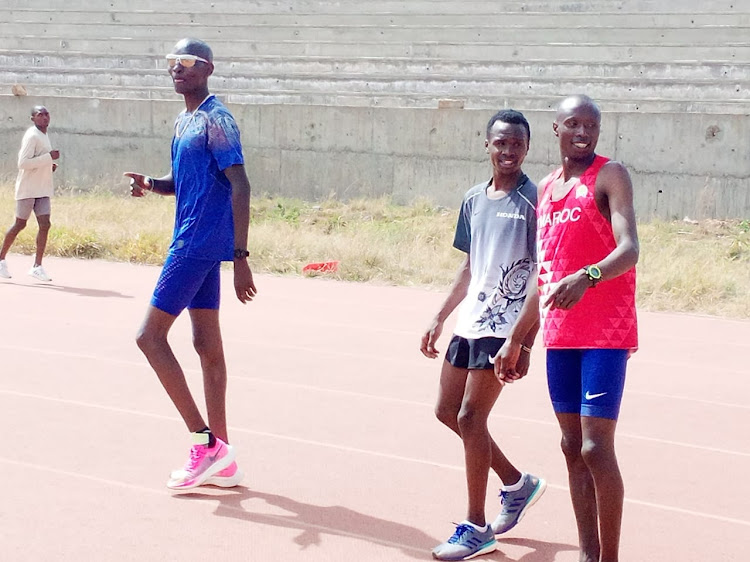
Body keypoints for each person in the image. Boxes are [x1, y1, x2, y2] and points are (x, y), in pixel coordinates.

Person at [496, 95, 639, 562]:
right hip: (561, 335)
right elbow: (546, 275)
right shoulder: (546, 188)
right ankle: (587, 553)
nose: (583, 132)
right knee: (571, 445)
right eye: (573, 123)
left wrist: (589, 275)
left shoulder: (610, 174)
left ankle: (610, 557)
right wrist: (520, 339)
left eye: (591, 124)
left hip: (605, 333)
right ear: (555, 129)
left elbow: (629, 249)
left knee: (597, 448)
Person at [124, 38, 257, 490]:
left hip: (198, 244)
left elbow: (240, 185)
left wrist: (240, 257)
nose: (176, 68)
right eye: (171, 62)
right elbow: (181, 183)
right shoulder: (185, 120)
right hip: (194, 239)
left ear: (207, 69)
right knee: (206, 344)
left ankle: (206, 443)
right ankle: (225, 456)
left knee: (148, 337)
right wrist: (151, 184)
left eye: (186, 62)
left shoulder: (217, 120)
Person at [420, 109, 547, 561]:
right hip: (471, 320)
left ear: (527, 148)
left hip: (506, 326)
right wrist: (439, 316)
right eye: (500, 143)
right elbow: (470, 264)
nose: (508, 151)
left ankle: (476, 527)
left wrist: (522, 339)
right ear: (487, 145)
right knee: (446, 411)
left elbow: (541, 275)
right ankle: (517, 483)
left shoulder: (536, 200)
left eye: (516, 143)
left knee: (471, 418)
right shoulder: (474, 199)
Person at [0, 106, 59, 282]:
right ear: (32, 118)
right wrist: (49, 158)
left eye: (46, 114)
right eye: (40, 115)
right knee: (19, 224)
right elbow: (23, 163)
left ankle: (37, 266)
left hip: (42, 189)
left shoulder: (43, 135)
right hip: (28, 189)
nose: (44, 117)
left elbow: (38, 160)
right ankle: (1, 259)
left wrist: (49, 166)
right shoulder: (32, 135)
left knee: (45, 224)